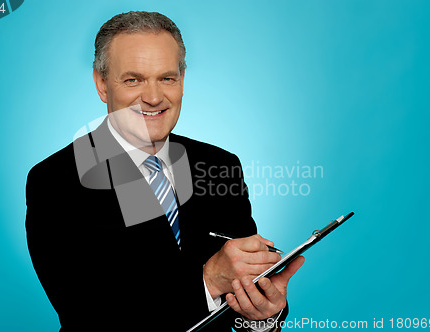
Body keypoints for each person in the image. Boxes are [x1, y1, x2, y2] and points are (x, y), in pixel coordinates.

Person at [25, 11, 304, 332]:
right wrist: (208, 280)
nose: (154, 97)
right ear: (102, 84)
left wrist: (262, 315)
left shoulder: (220, 165)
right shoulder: (55, 180)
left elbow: (240, 300)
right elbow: (87, 313)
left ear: (182, 81)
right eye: (133, 79)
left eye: (167, 78)